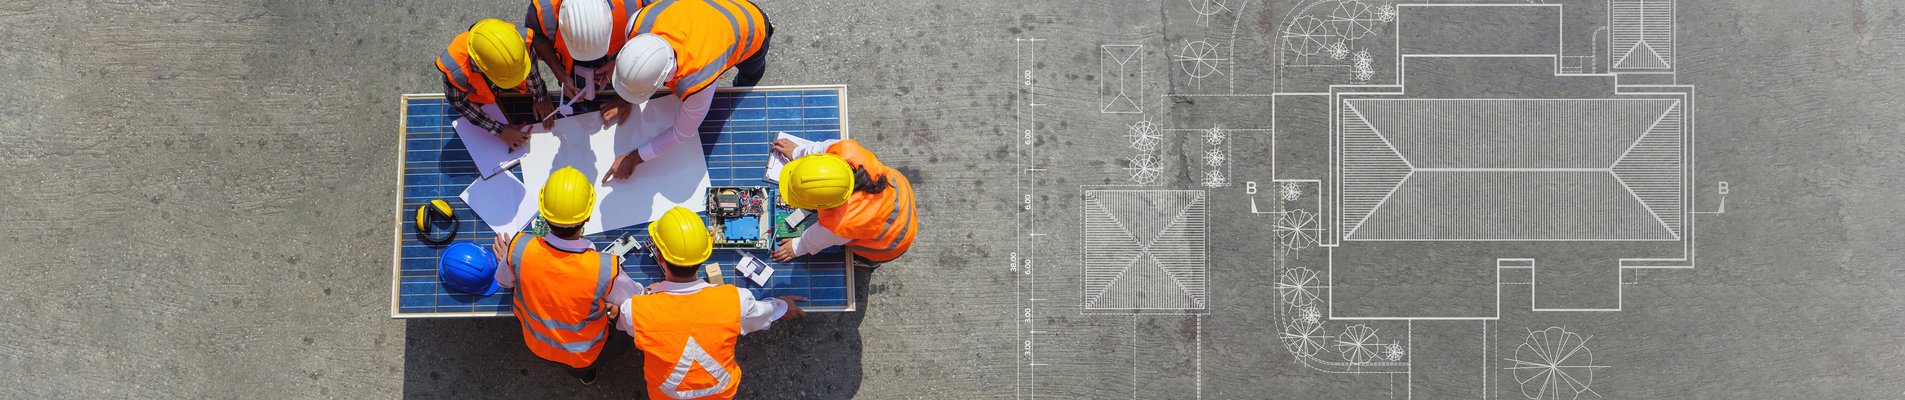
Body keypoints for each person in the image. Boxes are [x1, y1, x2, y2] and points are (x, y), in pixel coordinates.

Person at [619, 206, 806, 399]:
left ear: (659, 257)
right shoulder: (735, 301)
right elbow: (764, 314)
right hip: (721, 393)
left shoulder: (635, 309)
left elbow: (629, 323)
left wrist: (650, 295)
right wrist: (783, 305)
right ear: (705, 255)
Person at [492, 166, 643, 384]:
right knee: (623, 337)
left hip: (537, 344)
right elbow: (636, 300)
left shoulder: (519, 249)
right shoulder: (603, 269)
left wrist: (508, 259)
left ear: (543, 213)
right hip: (583, 354)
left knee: (572, 364)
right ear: (588, 216)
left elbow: (504, 281)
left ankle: (585, 374)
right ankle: (585, 372)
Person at [601, 0, 774, 183]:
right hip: (712, 8)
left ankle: (743, 86)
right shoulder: (638, 23)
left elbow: (680, 134)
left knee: (751, 73)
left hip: (750, 24)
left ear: (662, 79)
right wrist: (627, 95)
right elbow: (637, 61)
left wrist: (634, 158)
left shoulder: (698, 81)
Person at [770, 138, 918, 266]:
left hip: (893, 243)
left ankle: (865, 262)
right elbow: (818, 150)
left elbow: (816, 239)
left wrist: (795, 248)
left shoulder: (841, 223)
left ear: (823, 205)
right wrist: (797, 152)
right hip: (900, 195)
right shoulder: (846, 150)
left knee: (865, 251)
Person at [438, 18, 557, 152]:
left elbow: (529, 68)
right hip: (480, 101)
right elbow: (460, 103)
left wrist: (540, 96)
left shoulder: (516, 43)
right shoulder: (455, 71)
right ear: (481, 67)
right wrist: (500, 130)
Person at [523, 0, 646, 125]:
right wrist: (560, 73)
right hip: (570, 67)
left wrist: (618, 63)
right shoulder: (543, 9)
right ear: (562, 22)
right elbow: (536, 36)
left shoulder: (633, 3)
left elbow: (647, 43)